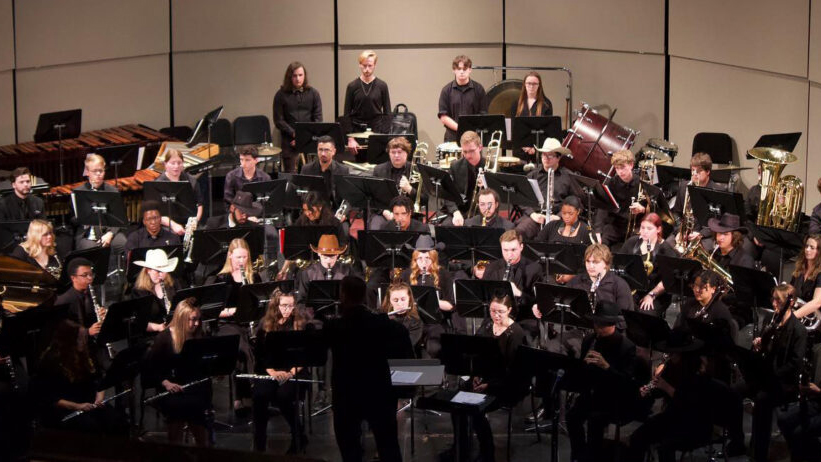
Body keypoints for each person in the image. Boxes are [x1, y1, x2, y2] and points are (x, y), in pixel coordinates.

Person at [323, 276, 410, 462]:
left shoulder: (334, 327)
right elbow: (404, 347)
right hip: (380, 392)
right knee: (389, 447)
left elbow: (318, 355)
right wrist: (404, 390)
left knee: (350, 450)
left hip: (346, 395)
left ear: (343, 296)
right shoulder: (386, 325)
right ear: (364, 296)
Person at [627, 329, 745, 462]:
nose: (669, 356)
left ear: (683, 353)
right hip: (673, 417)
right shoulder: (671, 365)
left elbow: (690, 404)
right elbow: (661, 392)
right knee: (637, 437)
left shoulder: (698, 374)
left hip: (695, 424)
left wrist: (666, 386)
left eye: (673, 353)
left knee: (665, 447)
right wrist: (650, 390)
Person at [452, 293, 525, 462]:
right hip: (484, 378)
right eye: (492, 311)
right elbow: (476, 353)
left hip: (506, 384)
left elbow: (513, 370)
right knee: (456, 403)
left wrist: (489, 385)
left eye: (500, 312)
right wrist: (476, 375)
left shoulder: (516, 334)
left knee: (475, 409)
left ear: (509, 310)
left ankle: (487, 451)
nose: (496, 316)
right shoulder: (487, 325)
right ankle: (460, 447)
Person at [566, 300, 642, 462]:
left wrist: (606, 366)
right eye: (596, 324)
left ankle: (593, 456)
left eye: (602, 325)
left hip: (613, 398)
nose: (598, 328)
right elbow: (581, 375)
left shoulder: (626, 347)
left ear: (612, 324)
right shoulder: (590, 340)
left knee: (595, 422)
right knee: (572, 417)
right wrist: (583, 366)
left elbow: (626, 383)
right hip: (592, 393)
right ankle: (580, 454)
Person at [30, 320, 128, 435]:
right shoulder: (51, 361)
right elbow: (49, 398)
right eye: (80, 339)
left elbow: (99, 379)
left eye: (84, 338)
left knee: (118, 422)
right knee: (91, 427)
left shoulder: (84, 353)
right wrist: (78, 406)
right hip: (65, 408)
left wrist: (99, 398)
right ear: (68, 341)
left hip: (88, 403)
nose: (84, 342)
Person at [747, 283, 807, 461]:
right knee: (735, 389)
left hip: (783, 382)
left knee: (762, 400)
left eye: (778, 301)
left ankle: (760, 453)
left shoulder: (798, 330)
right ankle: (737, 441)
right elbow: (766, 352)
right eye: (773, 299)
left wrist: (771, 376)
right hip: (766, 376)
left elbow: (795, 364)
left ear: (790, 303)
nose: (774, 304)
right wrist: (759, 345)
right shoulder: (770, 321)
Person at [143, 298, 211, 446]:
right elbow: (151, 367)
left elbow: (203, 364)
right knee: (178, 412)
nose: (197, 324)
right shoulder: (164, 338)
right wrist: (166, 383)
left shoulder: (200, 335)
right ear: (181, 318)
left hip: (193, 387)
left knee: (198, 416)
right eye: (193, 320)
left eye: (199, 319)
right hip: (172, 389)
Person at [252, 288, 311, 453]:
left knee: (284, 396)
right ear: (275, 306)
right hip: (270, 371)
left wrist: (291, 372)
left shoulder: (300, 324)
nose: (288, 310)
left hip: (294, 371)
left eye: (291, 306)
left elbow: (304, 355)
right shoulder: (265, 324)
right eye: (284, 306)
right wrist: (273, 372)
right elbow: (260, 355)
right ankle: (259, 442)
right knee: (260, 395)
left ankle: (299, 434)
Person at [515, 138, 574, 239]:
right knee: (519, 233)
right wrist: (532, 214)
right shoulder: (532, 175)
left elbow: (574, 201)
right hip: (535, 216)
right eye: (544, 154)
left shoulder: (568, 176)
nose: (546, 158)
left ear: (558, 157)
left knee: (565, 237)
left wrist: (560, 216)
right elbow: (521, 197)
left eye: (550, 155)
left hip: (559, 217)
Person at [72, 154, 128, 255]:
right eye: (95, 171)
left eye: (101, 171)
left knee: (123, 243)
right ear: (88, 172)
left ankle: (122, 270)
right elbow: (72, 220)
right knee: (91, 250)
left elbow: (119, 218)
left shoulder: (112, 191)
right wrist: (81, 216)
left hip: (108, 232)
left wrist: (110, 234)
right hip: (88, 235)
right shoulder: (78, 192)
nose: (98, 174)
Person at [623, 213, 678, 316]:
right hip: (634, 289)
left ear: (658, 229)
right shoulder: (632, 242)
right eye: (642, 228)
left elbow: (667, 280)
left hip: (656, 294)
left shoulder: (666, 250)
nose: (644, 232)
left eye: (649, 229)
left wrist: (651, 295)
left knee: (645, 314)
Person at [273, 61, 323, 173]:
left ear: (305, 76)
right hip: (289, 141)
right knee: (291, 178)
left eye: (300, 75)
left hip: (309, 140)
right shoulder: (280, 95)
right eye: (294, 76)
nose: (298, 79)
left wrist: (303, 137)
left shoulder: (314, 93)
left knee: (312, 175)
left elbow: (318, 119)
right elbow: (278, 120)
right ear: (289, 77)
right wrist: (294, 134)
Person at [482, 230, 541, 323]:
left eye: (513, 250)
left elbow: (538, 302)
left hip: (524, 318)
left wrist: (519, 293)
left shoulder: (534, 268)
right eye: (505, 250)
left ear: (521, 247)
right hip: (495, 318)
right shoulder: (492, 268)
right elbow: (483, 297)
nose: (509, 255)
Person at [343, 50, 391, 153]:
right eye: (364, 66)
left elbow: (387, 114)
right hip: (357, 132)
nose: (367, 69)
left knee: (376, 165)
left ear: (375, 65)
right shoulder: (352, 86)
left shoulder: (382, 86)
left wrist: (383, 137)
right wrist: (351, 138)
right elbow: (346, 115)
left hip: (376, 131)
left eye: (370, 66)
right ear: (360, 65)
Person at [294, 234, 361, 306]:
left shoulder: (347, 271)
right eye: (325, 257)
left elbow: (355, 298)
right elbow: (301, 301)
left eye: (332, 257)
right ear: (319, 254)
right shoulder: (308, 273)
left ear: (337, 254)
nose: (328, 261)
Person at [593, 149, 640, 246]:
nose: (620, 172)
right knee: (602, 242)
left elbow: (650, 207)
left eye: (622, 167)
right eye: (617, 168)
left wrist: (642, 209)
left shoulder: (641, 183)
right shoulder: (611, 183)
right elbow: (603, 208)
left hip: (635, 226)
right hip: (615, 225)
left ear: (631, 165)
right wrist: (598, 231)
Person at [371, 136, 419, 230]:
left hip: (409, 213)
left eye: (400, 152)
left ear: (407, 153)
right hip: (385, 212)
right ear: (389, 154)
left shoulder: (416, 169)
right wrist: (384, 212)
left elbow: (425, 198)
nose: (396, 155)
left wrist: (409, 189)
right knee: (375, 229)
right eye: (393, 152)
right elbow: (372, 198)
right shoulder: (379, 170)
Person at [437, 55, 488, 143]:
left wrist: (469, 131)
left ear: (470, 70)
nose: (461, 72)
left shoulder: (479, 89)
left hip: (473, 137)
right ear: (454, 70)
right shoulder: (446, 90)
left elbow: (483, 114)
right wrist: (461, 128)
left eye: (464, 69)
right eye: (459, 69)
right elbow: (443, 116)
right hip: (452, 137)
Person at [153, 148, 204, 235]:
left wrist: (195, 221)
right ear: (165, 164)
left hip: (189, 223)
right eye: (172, 163)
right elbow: (156, 213)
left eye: (179, 163)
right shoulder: (158, 184)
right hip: (167, 225)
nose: (176, 166)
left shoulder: (191, 181)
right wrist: (174, 225)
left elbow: (199, 204)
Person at [130, 248, 181, 332]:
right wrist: (158, 327)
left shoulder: (173, 282)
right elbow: (138, 322)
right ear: (148, 270)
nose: (161, 275)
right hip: (152, 335)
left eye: (164, 271)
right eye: (158, 271)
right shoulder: (139, 291)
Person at [55, 258, 104, 339]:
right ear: (73, 278)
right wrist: (87, 332)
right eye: (85, 275)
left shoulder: (91, 292)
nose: (90, 278)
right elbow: (61, 331)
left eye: (91, 274)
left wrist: (102, 316)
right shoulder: (64, 301)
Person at [443, 130, 484, 226]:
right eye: (465, 152)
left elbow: (498, 196)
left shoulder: (490, 166)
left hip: (482, 212)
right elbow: (448, 194)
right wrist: (455, 212)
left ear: (480, 148)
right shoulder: (455, 166)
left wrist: (486, 185)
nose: (468, 156)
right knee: (446, 228)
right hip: (461, 210)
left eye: (472, 151)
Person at [299, 135, 350, 206]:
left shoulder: (343, 170)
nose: (323, 154)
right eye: (320, 150)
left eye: (326, 150)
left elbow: (346, 197)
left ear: (334, 151)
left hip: (333, 209)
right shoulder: (307, 169)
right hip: (313, 209)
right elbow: (302, 194)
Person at [381, 282, 424, 349]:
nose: (400, 304)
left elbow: (408, 345)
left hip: (405, 357)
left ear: (409, 299)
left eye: (403, 299)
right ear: (390, 302)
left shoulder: (416, 322)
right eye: (395, 300)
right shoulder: (381, 317)